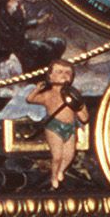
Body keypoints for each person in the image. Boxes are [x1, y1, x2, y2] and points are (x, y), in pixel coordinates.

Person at [28, 59, 88, 189]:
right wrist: (37, 89)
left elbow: (84, 115)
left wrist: (81, 109)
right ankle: (54, 176)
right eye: (59, 72)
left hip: (70, 127)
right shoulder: (48, 95)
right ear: (50, 76)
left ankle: (61, 171)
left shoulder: (73, 94)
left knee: (69, 155)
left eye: (68, 73)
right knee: (57, 156)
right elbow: (30, 99)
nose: (64, 75)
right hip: (54, 126)